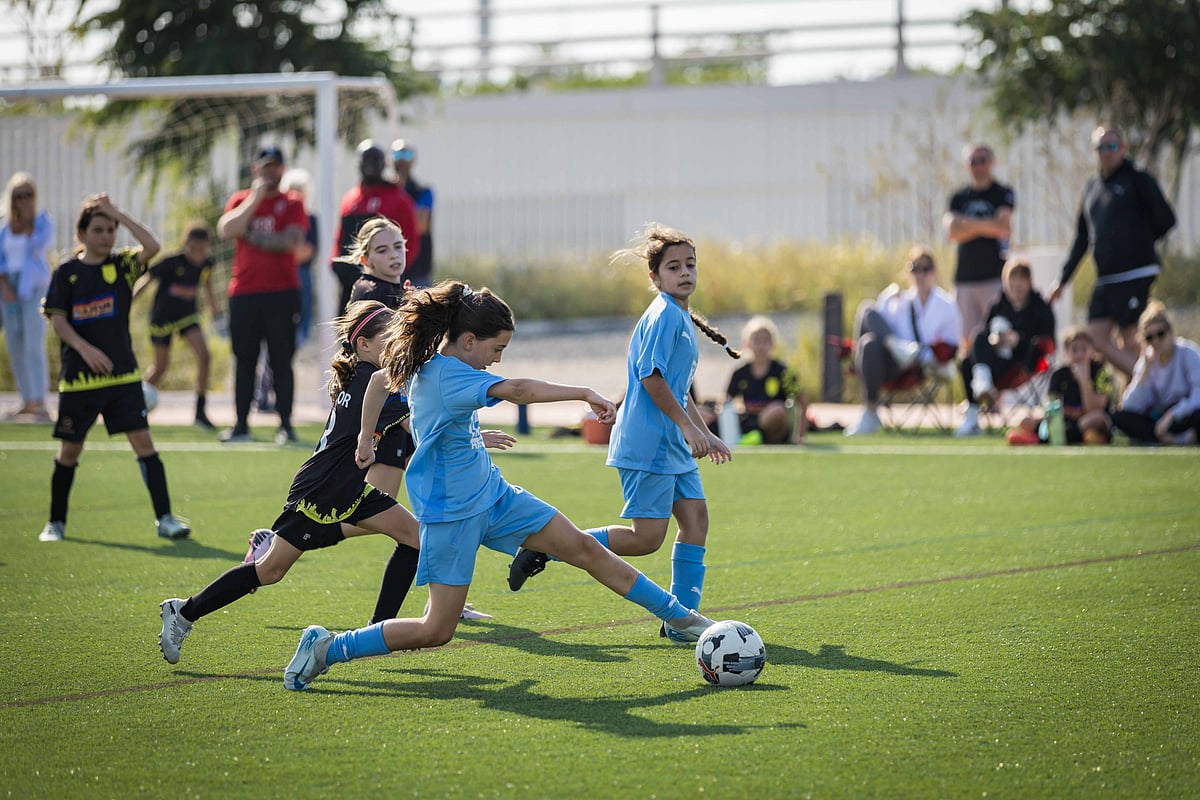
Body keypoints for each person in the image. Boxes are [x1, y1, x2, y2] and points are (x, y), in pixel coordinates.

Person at [280, 280, 716, 691]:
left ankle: (685, 619)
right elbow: (520, 390)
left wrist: (366, 438)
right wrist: (584, 392)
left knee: (585, 549)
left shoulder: (433, 365)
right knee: (436, 630)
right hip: (451, 514)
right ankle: (330, 646)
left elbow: (378, 382)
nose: (498, 358)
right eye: (497, 348)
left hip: (495, 495)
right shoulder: (449, 374)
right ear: (468, 341)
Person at [157, 301, 423, 665]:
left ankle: (375, 632)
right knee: (270, 571)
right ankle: (184, 612)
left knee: (414, 537)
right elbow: (419, 428)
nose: (397, 347)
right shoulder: (369, 383)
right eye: (389, 340)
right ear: (364, 346)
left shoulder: (368, 380)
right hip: (321, 490)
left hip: (347, 488)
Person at [508, 224, 736, 644]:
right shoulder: (665, 314)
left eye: (690, 264)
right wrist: (688, 428)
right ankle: (548, 545)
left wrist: (703, 431)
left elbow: (677, 385)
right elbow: (651, 378)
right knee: (645, 539)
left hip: (671, 444)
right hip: (649, 443)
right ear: (655, 277)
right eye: (673, 267)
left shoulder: (680, 315)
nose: (684, 272)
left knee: (696, 520)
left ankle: (682, 622)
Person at [343, 217, 496, 620]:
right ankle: (288, 537)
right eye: (382, 250)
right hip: (395, 413)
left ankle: (443, 599)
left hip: (406, 410)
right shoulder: (370, 292)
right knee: (378, 515)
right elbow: (395, 356)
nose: (394, 255)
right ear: (364, 259)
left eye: (398, 247)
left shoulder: (397, 290)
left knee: (428, 511)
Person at [38, 194, 189, 542]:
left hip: (122, 377)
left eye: (110, 229)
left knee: (144, 443)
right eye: (98, 229)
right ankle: (55, 523)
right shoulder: (67, 273)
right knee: (70, 450)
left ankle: (165, 519)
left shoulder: (123, 266)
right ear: (82, 233)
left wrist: (117, 211)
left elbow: (152, 245)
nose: (106, 236)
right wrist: (85, 349)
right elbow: (57, 320)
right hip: (79, 380)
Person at [1049, 125, 1177, 378]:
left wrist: (1138, 241)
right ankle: (1147, 382)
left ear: (1123, 148)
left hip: (1135, 273)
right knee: (1096, 337)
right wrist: (1063, 280)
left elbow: (1166, 218)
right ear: (1094, 151)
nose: (1106, 152)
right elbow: (1082, 238)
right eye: (1101, 147)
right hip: (1106, 278)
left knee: (1131, 338)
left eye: (1112, 146)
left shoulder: (1137, 178)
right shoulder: (1091, 188)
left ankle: (1152, 387)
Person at [216, 146, 309, 445]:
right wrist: (255, 198)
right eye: (264, 166)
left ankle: (285, 426)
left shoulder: (292, 203)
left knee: (282, 360)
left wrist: (252, 236)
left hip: (282, 293)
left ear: (282, 169)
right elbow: (227, 229)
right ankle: (241, 425)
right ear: (255, 169)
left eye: (275, 166)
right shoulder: (242, 199)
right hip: (244, 293)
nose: (270, 172)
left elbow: (289, 242)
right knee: (245, 360)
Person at [845, 248, 962, 436]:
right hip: (894, 362)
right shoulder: (897, 300)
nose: (920, 274)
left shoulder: (946, 305)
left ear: (934, 272)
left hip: (921, 366)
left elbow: (952, 346)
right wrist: (886, 297)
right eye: (914, 268)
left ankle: (869, 408)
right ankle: (870, 412)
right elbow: (874, 324)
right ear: (908, 272)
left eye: (926, 268)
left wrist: (925, 356)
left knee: (869, 340)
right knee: (867, 322)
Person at [132, 222, 219, 430]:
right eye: (193, 249)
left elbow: (206, 281)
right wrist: (130, 300)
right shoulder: (171, 262)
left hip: (187, 316)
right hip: (162, 318)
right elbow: (147, 279)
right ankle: (135, 408)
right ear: (184, 244)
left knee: (205, 356)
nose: (198, 254)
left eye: (202, 250)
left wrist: (212, 303)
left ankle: (200, 410)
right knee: (160, 368)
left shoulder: (206, 264)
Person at [955, 258, 1056, 436]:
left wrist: (1018, 340)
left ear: (1029, 283)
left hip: (1020, 364)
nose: (1015, 291)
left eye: (1020, 285)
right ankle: (976, 405)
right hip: (995, 360)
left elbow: (1046, 342)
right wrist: (997, 340)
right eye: (1012, 285)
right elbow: (985, 335)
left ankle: (981, 385)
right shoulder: (999, 305)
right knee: (974, 345)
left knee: (972, 364)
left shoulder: (1040, 308)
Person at [331, 140, 420, 311]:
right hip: (352, 286)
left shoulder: (398, 199)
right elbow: (339, 239)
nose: (370, 164)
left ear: (384, 164)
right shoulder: (350, 199)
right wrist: (336, 266)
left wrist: (390, 272)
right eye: (366, 159)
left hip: (385, 287)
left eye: (375, 159)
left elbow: (411, 243)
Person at [943, 143, 1015, 354]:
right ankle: (973, 384)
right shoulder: (959, 197)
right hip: (964, 280)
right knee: (968, 342)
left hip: (994, 277)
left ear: (991, 162)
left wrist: (966, 224)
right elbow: (952, 232)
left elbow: (1002, 227)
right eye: (974, 161)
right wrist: (988, 225)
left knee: (998, 335)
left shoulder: (1003, 192)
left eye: (983, 160)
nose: (979, 165)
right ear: (967, 166)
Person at [0, 172, 55, 422]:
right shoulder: (4, 227)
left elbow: (40, 247)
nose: (23, 200)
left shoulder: (43, 222)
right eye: (18, 195)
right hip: (7, 287)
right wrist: (4, 286)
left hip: (32, 287)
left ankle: (40, 400)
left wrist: (28, 222)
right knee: (16, 344)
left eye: (28, 195)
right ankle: (27, 400)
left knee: (34, 343)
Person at [1110, 301, 1200, 446]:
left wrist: (1172, 415)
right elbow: (1129, 407)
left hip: (1184, 414)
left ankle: (1174, 439)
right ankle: (1168, 439)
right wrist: (1144, 372)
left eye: (1160, 334)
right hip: (1160, 419)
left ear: (1171, 332)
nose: (1156, 341)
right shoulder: (1146, 361)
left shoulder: (1189, 353)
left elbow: (1198, 395)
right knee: (1118, 417)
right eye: (1149, 337)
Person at [722, 315, 808, 445]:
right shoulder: (740, 373)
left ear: (773, 344)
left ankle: (760, 437)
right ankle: (750, 437)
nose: (761, 346)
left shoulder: (784, 372)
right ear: (747, 344)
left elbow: (803, 401)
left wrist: (799, 434)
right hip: (748, 423)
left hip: (774, 425)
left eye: (766, 340)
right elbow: (726, 401)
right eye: (756, 340)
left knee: (777, 410)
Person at [280, 168, 318, 349]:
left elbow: (308, 251)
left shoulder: (310, 219)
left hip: (301, 276)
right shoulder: (280, 218)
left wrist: (284, 251)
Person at [391, 139, 435, 287]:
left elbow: (420, 225)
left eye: (407, 155)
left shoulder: (423, 191)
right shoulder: (387, 191)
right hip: (391, 267)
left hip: (418, 268)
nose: (402, 160)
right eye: (397, 155)